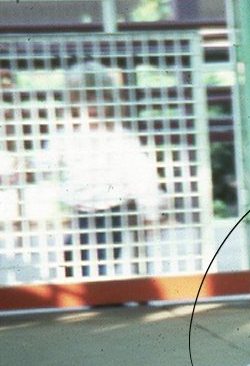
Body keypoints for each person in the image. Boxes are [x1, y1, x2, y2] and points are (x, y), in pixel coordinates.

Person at [33, 62, 165, 278]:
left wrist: (151, 208)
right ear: (73, 103)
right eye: (84, 99)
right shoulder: (66, 133)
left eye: (100, 98)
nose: (92, 106)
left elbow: (140, 171)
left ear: (110, 101)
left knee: (105, 254)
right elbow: (45, 162)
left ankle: (103, 293)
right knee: (76, 254)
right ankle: (89, 286)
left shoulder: (118, 134)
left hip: (113, 204)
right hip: (82, 205)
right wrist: (26, 171)